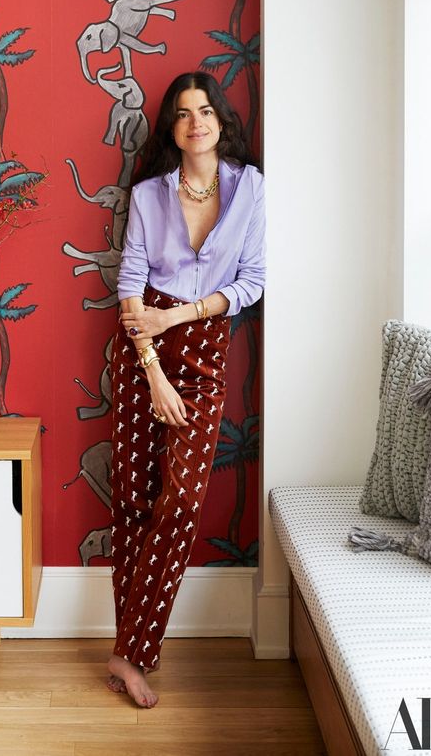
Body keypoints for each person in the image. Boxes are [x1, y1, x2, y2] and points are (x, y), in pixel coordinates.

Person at [106, 70, 266, 708]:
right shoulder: (149, 194)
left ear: (221, 121)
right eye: (182, 113)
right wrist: (151, 367)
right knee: (134, 499)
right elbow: (129, 284)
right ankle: (131, 653)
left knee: (182, 503)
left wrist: (179, 316)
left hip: (202, 347)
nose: (195, 121)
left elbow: (252, 281)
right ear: (172, 129)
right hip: (144, 351)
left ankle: (128, 650)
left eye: (205, 110)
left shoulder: (250, 190)